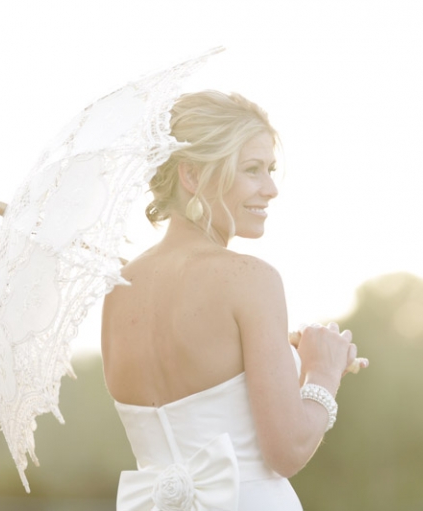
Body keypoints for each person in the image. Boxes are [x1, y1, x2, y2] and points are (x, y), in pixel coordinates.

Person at [101, 90, 365, 510]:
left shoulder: (119, 287)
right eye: (252, 170)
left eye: (270, 169)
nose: (271, 188)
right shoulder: (251, 280)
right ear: (191, 175)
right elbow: (288, 449)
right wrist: (322, 373)